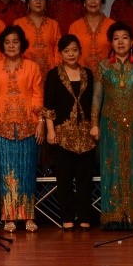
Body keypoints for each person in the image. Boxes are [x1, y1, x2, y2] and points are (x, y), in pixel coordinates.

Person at [91, 22, 133, 230]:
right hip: (110, 124)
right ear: (111, 42)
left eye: (125, 37)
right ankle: (113, 216)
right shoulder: (103, 66)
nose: (120, 42)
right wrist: (94, 123)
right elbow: (97, 96)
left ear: (132, 41)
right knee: (112, 167)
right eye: (116, 38)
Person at [0, 25, 45, 232]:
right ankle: (9, 217)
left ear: (22, 44)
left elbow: (38, 97)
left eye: (15, 41)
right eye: (7, 42)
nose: (11, 46)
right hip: (1, 127)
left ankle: (28, 216)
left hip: (28, 126)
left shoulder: (32, 67)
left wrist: (40, 123)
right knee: (7, 172)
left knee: (27, 171)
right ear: (2, 45)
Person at [42, 34, 96, 230]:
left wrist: (95, 126)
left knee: (85, 180)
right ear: (60, 53)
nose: (71, 54)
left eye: (74, 50)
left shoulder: (88, 74)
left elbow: (94, 104)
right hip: (61, 134)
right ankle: (66, 218)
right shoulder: (53, 75)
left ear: (80, 51)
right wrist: (50, 131)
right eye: (67, 51)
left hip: (86, 134)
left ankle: (84, 217)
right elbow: (48, 106)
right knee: (64, 179)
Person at [13, 0, 62, 74]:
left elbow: (58, 50)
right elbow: (15, 50)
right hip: (25, 73)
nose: (38, 1)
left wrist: (56, 72)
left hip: (50, 74)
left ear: (46, 2)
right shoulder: (18, 24)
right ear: (28, 2)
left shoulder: (54, 24)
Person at [68, 0, 112, 74]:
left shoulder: (112, 25)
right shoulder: (74, 26)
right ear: (84, 2)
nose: (93, 1)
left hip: (107, 77)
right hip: (81, 76)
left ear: (102, 2)